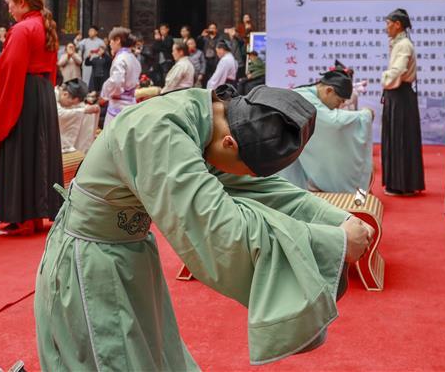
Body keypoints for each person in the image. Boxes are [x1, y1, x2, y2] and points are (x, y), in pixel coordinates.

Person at [34, 85, 374, 370]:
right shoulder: (160, 132)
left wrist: (335, 219)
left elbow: (261, 190)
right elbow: (222, 232)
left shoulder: (207, 115)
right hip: (92, 265)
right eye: (247, 170)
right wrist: (332, 242)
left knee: (148, 355)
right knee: (115, 358)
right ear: (231, 145)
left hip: (127, 255)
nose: (245, 179)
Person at [0, 0, 63, 237]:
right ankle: (35, 217)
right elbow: (51, 69)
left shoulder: (21, 30)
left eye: (9, 2)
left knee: (20, 151)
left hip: (23, 92)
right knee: (40, 153)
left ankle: (19, 218)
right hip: (42, 94)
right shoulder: (45, 25)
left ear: (21, 2)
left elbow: (9, 70)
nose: (7, 7)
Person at [278, 64, 374, 192]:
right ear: (329, 91)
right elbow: (333, 121)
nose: (338, 106)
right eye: (339, 101)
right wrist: (365, 115)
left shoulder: (306, 93)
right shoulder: (306, 98)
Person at [380, 8, 424, 196]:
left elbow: (398, 70)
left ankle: (401, 184)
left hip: (400, 96)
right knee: (397, 138)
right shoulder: (399, 43)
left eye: (388, 24)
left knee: (400, 139)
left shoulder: (404, 44)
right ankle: (399, 183)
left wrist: (384, 78)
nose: (386, 28)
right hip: (399, 95)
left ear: (398, 24)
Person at [100, 27, 141, 122]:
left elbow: (116, 82)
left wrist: (104, 93)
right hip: (131, 103)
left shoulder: (120, 59)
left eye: (111, 41)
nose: (110, 44)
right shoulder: (133, 58)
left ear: (118, 40)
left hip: (119, 105)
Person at [55, 79, 99, 154]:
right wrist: (84, 110)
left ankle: (83, 151)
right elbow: (59, 114)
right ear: (65, 94)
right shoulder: (51, 95)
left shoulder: (63, 95)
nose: (71, 105)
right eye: (71, 103)